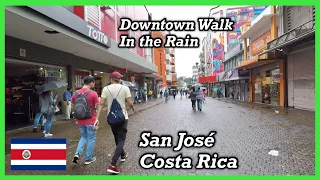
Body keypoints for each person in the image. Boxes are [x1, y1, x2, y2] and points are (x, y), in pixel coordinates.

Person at [96, 71, 134, 174]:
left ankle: (123, 154)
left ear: (111, 79)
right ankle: (113, 164)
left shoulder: (105, 89)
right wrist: (132, 108)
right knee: (121, 140)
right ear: (120, 79)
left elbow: (101, 104)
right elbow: (130, 102)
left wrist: (97, 118)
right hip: (123, 117)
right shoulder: (125, 88)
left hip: (111, 118)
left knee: (117, 138)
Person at [72, 76, 100, 165]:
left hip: (80, 120)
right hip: (91, 120)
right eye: (94, 82)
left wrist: (76, 117)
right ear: (91, 83)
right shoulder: (93, 93)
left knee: (83, 137)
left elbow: (73, 107)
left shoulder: (75, 93)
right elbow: (98, 106)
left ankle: (77, 154)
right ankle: (88, 158)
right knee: (91, 138)